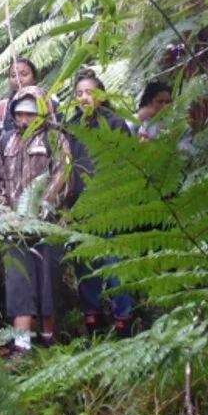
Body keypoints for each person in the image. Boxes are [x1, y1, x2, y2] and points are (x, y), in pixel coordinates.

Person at [0, 86, 71, 356]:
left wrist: (39, 210)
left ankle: (48, 339)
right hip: (14, 227)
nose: (24, 119)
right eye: (20, 114)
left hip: (46, 224)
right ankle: (22, 346)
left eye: (30, 114)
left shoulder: (55, 139)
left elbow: (62, 177)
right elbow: (1, 180)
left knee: (48, 280)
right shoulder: (6, 142)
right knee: (18, 281)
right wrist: (6, 210)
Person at [66, 70, 134, 338]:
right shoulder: (71, 126)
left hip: (111, 206)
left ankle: (123, 322)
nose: (84, 98)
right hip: (80, 208)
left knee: (115, 265)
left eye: (90, 92)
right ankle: (93, 324)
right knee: (87, 268)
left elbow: (129, 164)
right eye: (79, 93)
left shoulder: (115, 124)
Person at [129, 80, 194, 152]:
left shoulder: (178, 124)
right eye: (160, 102)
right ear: (148, 102)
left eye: (168, 102)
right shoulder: (134, 120)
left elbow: (188, 150)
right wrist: (138, 120)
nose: (165, 106)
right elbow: (124, 137)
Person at [0, 58, 40, 138]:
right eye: (13, 76)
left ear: (34, 78)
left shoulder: (50, 106)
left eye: (24, 74)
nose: (18, 79)